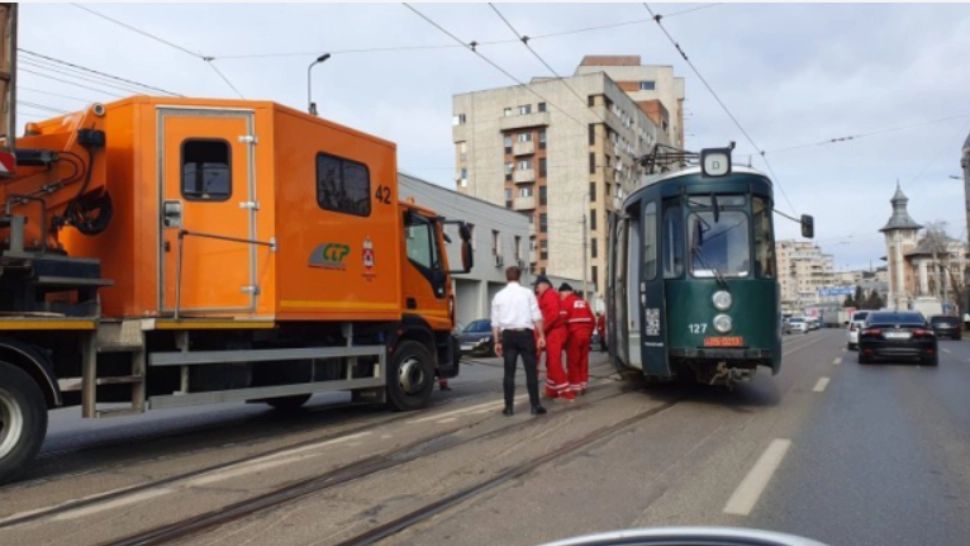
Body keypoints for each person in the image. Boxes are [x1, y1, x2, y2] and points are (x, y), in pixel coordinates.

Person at [491, 266, 547, 416]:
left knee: (509, 373)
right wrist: (541, 336)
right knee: (530, 372)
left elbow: (495, 323)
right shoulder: (528, 293)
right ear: (520, 277)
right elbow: (536, 316)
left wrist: (497, 341)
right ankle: (535, 406)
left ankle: (508, 407)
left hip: (508, 336)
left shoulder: (498, 296)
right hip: (525, 335)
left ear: (506, 277)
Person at [533, 275, 572, 401]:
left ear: (544, 285)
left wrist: (541, 331)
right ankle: (552, 390)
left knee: (554, 363)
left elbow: (553, 315)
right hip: (554, 331)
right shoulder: (546, 295)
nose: (536, 288)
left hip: (555, 332)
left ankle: (565, 393)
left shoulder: (549, 295)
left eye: (537, 286)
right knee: (550, 362)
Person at [560, 283, 595, 396]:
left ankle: (575, 387)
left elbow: (563, 321)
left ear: (564, 292)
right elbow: (592, 319)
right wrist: (589, 334)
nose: (560, 297)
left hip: (573, 335)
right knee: (583, 361)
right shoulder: (584, 302)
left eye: (561, 294)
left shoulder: (566, 302)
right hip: (586, 335)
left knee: (573, 362)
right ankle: (583, 384)